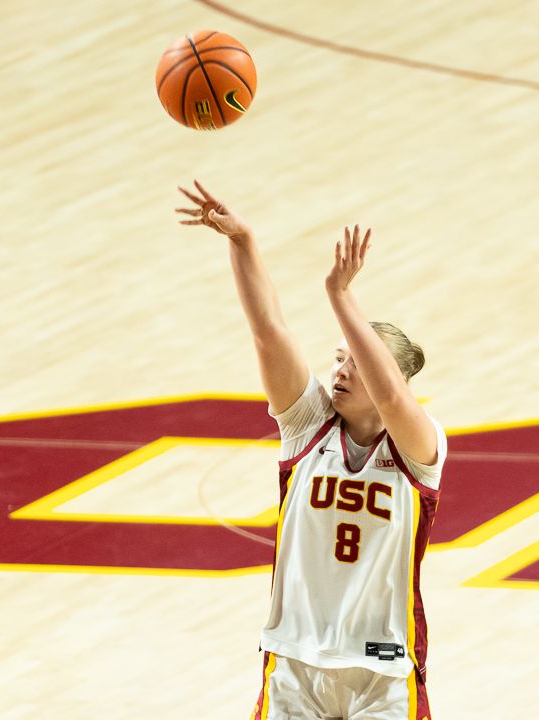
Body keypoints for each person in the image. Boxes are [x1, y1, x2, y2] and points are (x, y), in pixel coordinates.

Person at [178, 183, 447, 720]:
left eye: (356, 362)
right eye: (339, 357)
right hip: (295, 660)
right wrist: (243, 243)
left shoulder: (421, 449)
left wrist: (341, 296)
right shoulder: (308, 427)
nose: (340, 370)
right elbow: (269, 335)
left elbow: (392, 396)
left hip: (384, 669)